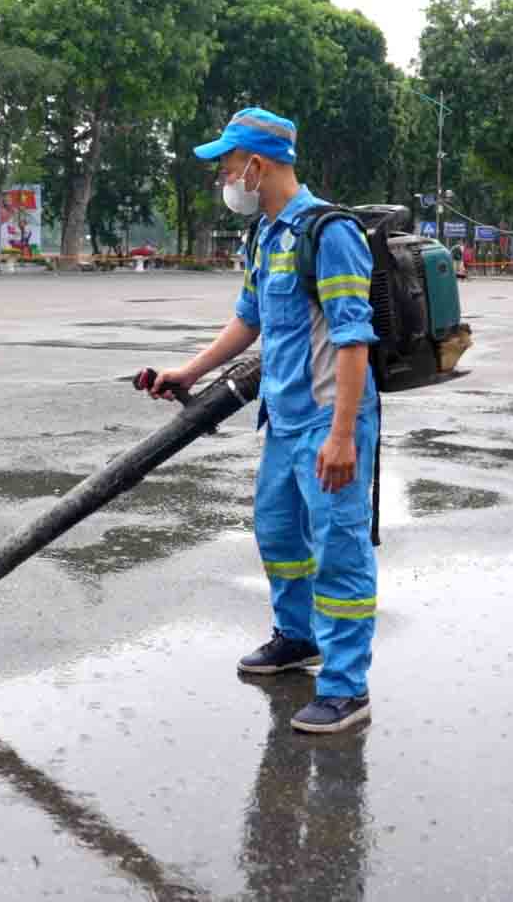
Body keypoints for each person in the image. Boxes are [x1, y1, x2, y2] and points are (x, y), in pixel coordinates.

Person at [147, 107, 378, 735]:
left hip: (332, 419)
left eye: (227, 166)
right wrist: (189, 372)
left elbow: (354, 340)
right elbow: (248, 320)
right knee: (277, 534)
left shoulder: (328, 232)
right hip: (283, 417)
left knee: (339, 550)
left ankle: (346, 686)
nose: (224, 179)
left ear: (258, 164)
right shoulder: (266, 235)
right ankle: (297, 638)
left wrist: (341, 436)